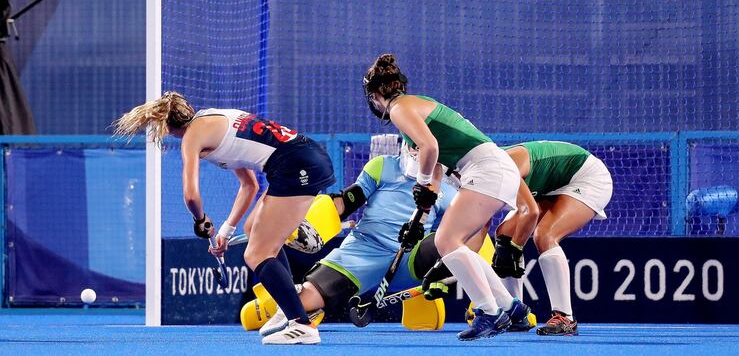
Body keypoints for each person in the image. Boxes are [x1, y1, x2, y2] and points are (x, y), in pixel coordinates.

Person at [113, 92, 335, 345]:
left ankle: (301, 324)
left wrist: (200, 219)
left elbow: (191, 195)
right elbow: (249, 185)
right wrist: (225, 232)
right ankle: (288, 306)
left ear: (167, 127)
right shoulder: (214, 118)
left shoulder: (191, 137)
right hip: (303, 156)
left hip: (294, 166)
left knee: (256, 255)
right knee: (253, 229)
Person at [361, 54, 531, 340]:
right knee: (454, 241)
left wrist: (422, 183)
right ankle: (511, 308)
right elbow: (437, 166)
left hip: (486, 168)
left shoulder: (398, 109)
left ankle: (489, 312)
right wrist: (421, 216)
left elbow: (430, 148)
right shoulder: (415, 103)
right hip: (492, 167)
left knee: (446, 241)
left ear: (375, 95)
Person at [253, 135, 482, 336]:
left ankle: (484, 305)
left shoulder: (450, 191)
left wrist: (443, 270)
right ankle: (268, 303)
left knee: (455, 234)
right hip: (361, 252)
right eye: (415, 146)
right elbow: (346, 202)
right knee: (299, 306)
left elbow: (469, 232)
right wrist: (307, 222)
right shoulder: (382, 166)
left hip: (410, 261)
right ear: (405, 145)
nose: (418, 153)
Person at [492, 140, 613, 336]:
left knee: (544, 235)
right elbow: (481, 226)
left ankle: (566, 318)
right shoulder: (482, 175)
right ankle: (515, 315)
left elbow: (529, 212)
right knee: (504, 236)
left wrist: (514, 248)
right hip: (550, 185)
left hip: (587, 177)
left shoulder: (505, 166)